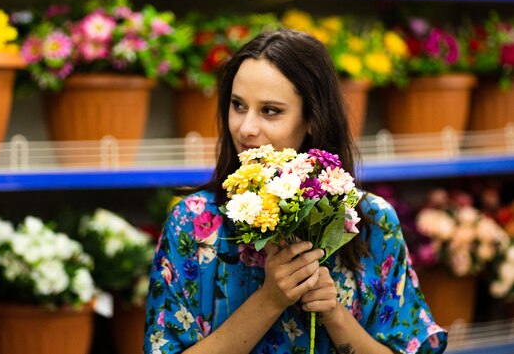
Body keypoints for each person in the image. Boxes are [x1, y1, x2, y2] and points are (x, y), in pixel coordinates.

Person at [144, 28, 447, 354]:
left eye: (270, 110)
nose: (246, 128)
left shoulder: (371, 220)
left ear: (313, 118)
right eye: (238, 105)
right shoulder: (193, 222)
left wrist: (334, 314)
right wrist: (269, 301)